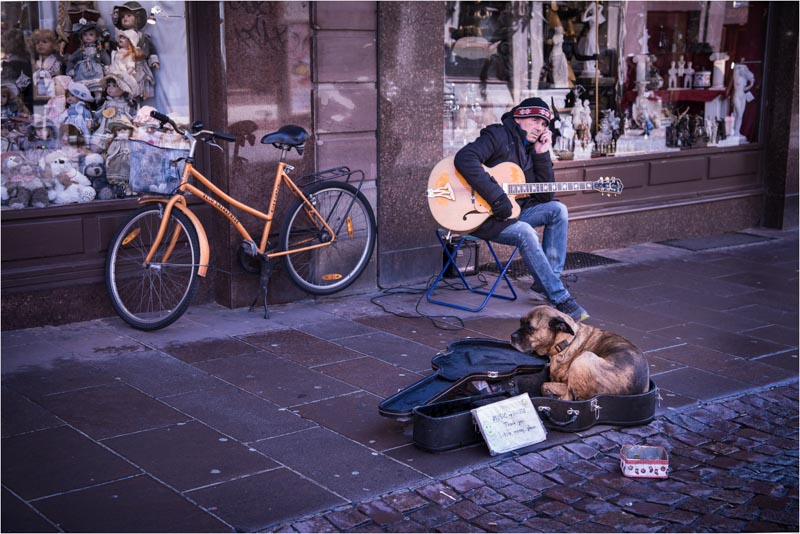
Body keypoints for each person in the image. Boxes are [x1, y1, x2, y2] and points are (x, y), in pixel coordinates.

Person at [453, 97, 589, 322]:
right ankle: (560, 298)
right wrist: (496, 197)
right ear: (519, 117)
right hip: (482, 216)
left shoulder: (532, 150)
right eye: (535, 120)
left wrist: (542, 154)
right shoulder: (498, 135)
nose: (540, 127)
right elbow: (465, 158)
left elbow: (545, 196)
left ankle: (544, 285)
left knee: (558, 209)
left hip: (513, 213)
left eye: (544, 124)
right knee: (526, 232)